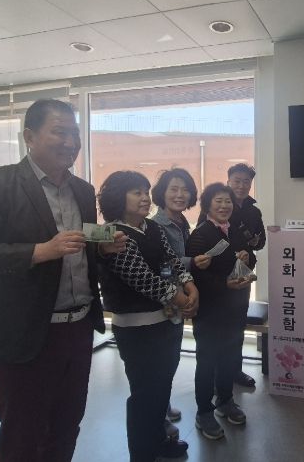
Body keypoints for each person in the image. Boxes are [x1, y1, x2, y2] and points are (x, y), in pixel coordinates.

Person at [0, 99, 126, 462]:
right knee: (22, 434)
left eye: (74, 133)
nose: (70, 142)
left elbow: (80, 251)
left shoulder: (82, 190)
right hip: (24, 334)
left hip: (78, 329)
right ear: (29, 137)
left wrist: (103, 250)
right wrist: (39, 251)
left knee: (66, 425)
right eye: (59, 132)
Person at [97, 171, 197, 461]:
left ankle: (159, 440)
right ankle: (142, 454)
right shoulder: (111, 233)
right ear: (118, 197)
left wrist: (189, 284)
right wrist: (183, 299)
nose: (144, 198)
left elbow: (171, 260)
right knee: (144, 395)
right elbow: (142, 278)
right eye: (136, 193)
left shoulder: (150, 226)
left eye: (145, 191)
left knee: (161, 389)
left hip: (166, 321)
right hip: (136, 329)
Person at [186, 182, 255, 440]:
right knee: (206, 361)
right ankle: (204, 411)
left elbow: (249, 258)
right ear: (207, 205)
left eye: (227, 201)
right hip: (210, 310)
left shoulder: (234, 230)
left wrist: (247, 257)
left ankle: (225, 401)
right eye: (218, 201)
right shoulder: (200, 234)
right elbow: (194, 276)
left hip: (235, 306)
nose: (224, 206)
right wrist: (224, 284)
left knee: (229, 356)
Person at [151, 167, 211, 437]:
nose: (179, 194)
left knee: (170, 356)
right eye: (173, 189)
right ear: (161, 193)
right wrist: (192, 262)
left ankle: (162, 406)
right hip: (165, 300)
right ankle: (157, 416)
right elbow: (163, 264)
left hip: (181, 297)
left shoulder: (182, 222)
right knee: (161, 361)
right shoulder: (157, 226)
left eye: (185, 190)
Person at [226, 163, 266, 387]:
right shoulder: (218, 204)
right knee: (222, 324)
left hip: (244, 272)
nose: (241, 186)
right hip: (220, 273)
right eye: (237, 181)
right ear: (228, 181)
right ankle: (218, 372)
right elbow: (205, 238)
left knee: (238, 322)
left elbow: (261, 243)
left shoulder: (253, 210)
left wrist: (254, 242)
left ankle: (235, 371)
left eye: (246, 181)